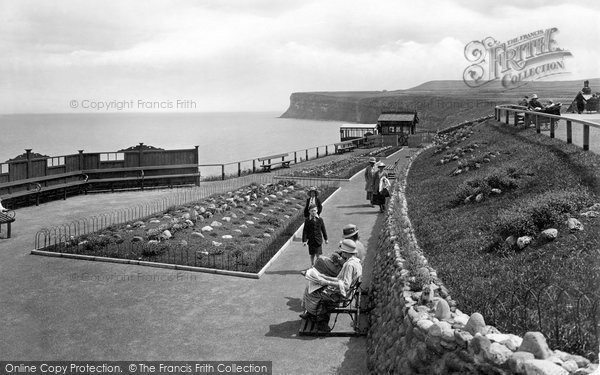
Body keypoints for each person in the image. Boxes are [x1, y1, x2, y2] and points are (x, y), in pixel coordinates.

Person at [299, 239, 363, 330]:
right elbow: (340, 279)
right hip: (345, 292)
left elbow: (345, 285)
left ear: (346, 252)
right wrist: (324, 277)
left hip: (340, 294)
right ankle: (312, 313)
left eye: (343, 250)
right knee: (312, 285)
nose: (341, 251)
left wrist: (326, 282)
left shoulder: (349, 265)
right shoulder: (355, 262)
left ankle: (319, 320)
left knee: (312, 292)